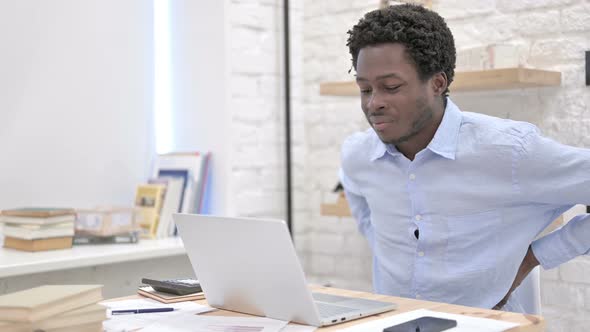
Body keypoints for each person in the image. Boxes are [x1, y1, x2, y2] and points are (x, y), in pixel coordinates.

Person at [339, 4, 590, 313]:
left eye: (391, 87)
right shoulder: (358, 155)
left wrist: (534, 256)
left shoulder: (509, 152)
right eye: (365, 89)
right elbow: (359, 199)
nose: (374, 103)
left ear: (438, 83)